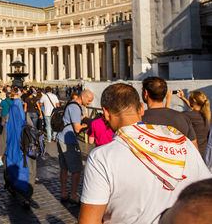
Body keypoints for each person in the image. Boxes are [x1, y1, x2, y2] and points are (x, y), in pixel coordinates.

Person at [79, 83, 211, 224]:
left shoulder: (101, 157)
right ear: (142, 109)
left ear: (106, 113)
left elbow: (89, 221)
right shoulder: (183, 142)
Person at [56, 89, 93, 205]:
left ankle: (63, 193)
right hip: (69, 141)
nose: (90, 103)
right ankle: (73, 194)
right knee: (77, 170)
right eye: (89, 100)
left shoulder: (71, 104)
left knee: (64, 168)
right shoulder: (76, 107)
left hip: (61, 137)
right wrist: (86, 126)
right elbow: (77, 128)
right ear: (83, 97)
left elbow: (73, 119)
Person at [142, 77, 198, 149]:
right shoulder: (183, 118)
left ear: (146, 93)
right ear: (165, 93)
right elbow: (194, 147)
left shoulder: (139, 119)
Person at [4, 95, 36, 209]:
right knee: (29, 174)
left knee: (11, 172)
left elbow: (4, 139)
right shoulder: (26, 119)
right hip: (25, 152)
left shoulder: (8, 121)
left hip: (12, 152)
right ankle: (27, 198)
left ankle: (12, 188)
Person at [170, 89, 211, 158]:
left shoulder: (187, 115)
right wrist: (183, 99)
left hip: (193, 154)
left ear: (194, 101)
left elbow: (167, 115)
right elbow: (196, 109)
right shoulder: (207, 115)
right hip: (205, 153)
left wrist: (168, 99)